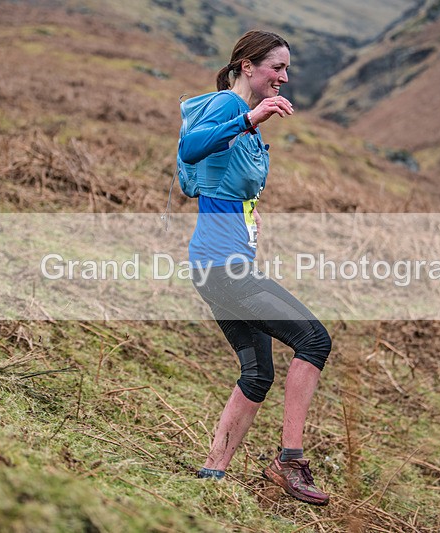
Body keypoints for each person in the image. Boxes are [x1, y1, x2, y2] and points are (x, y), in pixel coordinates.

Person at [178, 30, 332, 506]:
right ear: (247, 66)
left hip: (220, 262)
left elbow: (198, 182)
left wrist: (245, 205)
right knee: (314, 339)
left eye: (287, 69)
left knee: (258, 374)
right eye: (277, 67)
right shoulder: (229, 108)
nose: (284, 77)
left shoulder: (240, 118)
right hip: (222, 267)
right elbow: (189, 152)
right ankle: (289, 460)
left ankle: (211, 477)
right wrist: (248, 117)